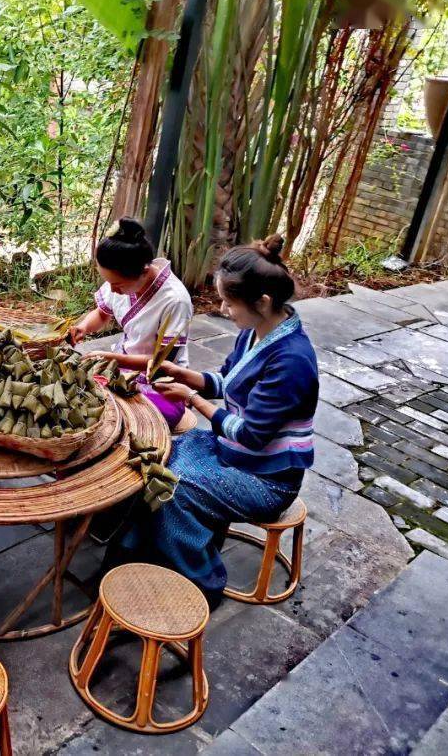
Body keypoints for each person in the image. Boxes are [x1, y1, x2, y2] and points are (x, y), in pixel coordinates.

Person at [107, 235, 318, 609]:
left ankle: (201, 581)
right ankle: (137, 555)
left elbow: (251, 435)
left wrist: (191, 399)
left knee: (173, 490)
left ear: (262, 302)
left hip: (265, 479)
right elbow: (226, 380)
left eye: (229, 302)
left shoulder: (292, 362)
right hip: (232, 453)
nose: (223, 309)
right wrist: (185, 375)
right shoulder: (254, 333)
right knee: (153, 456)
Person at [68, 218, 193, 428]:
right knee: (77, 389)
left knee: (145, 413)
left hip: (158, 378)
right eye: (109, 283)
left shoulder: (175, 300)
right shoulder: (121, 279)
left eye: (117, 284)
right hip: (122, 366)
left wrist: (112, 359)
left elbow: (161, 363)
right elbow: (102, 314)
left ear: (144, 271)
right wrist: (84, 327)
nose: (112, 290)